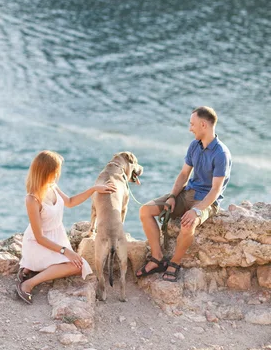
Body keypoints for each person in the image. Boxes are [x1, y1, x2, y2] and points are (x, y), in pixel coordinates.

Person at [136, 106, 232, 282]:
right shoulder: (194, 146)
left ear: (203, 124)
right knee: (145, 210)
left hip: (207, 201)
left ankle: (174, 263)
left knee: (188, 225)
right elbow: (183, 175)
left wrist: (197, 210)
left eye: (192, 124)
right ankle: (157, 258)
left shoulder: (221, 154)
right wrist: (173, 196)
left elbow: (216, 189)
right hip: (187, 193)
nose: (190, 128)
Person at [16, 150, 116, 304]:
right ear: (48, 171)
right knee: (78, 266)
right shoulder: (32, 199)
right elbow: (39, 237)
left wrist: (94, 189)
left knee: (76, 264)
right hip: (39, 243)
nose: (58, 174)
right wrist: (66, 251)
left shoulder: (52, 186)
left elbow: (70, 202)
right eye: (56, 170)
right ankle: (28, 283)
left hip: (57, 238)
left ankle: (30, 269)